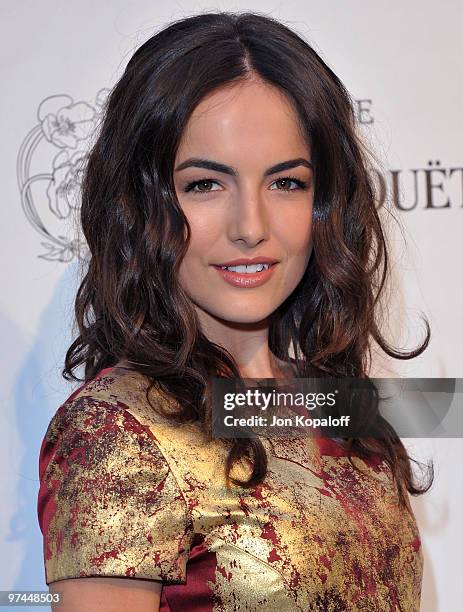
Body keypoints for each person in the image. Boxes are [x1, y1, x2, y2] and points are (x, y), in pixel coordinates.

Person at [37, 11, 433, 612]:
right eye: (205, 185)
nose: (251, 228)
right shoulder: (118, 429)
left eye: (287, 183)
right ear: (140, 206)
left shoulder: (342, 408)